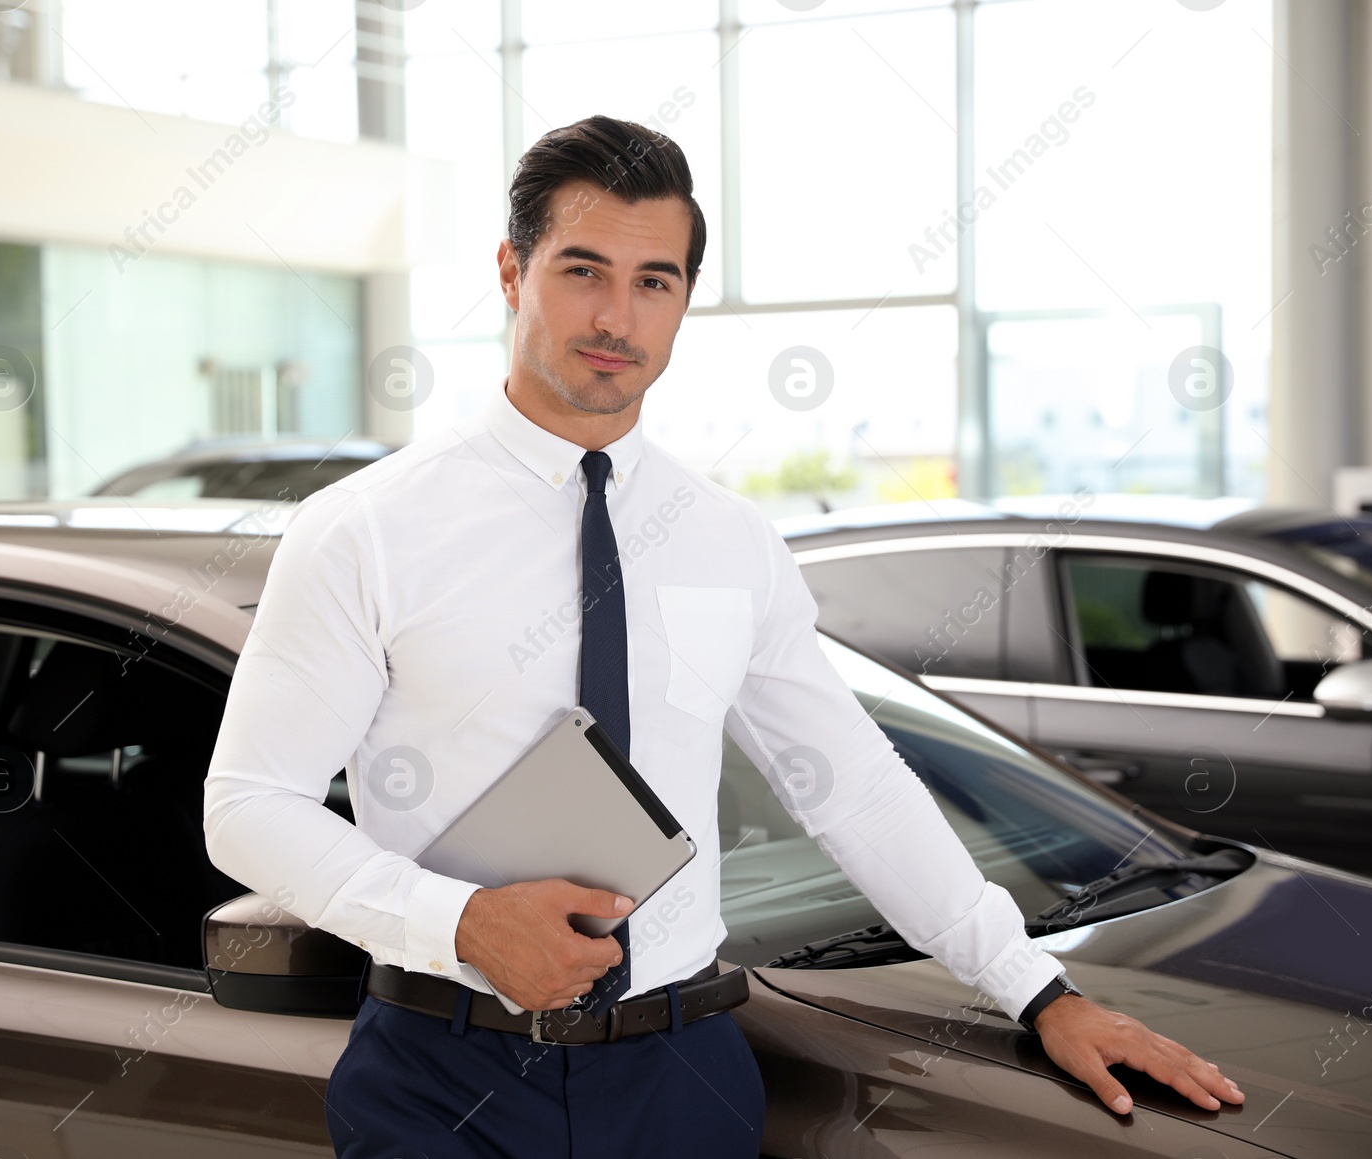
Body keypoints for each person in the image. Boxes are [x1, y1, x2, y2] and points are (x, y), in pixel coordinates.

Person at [202, 114, 1244, 1159]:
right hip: (442, 1079)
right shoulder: (365, 529)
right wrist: (460, 922)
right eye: (583, 270)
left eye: (654, 280)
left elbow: (852, 785)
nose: (617, 315)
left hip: (679, 1079)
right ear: (512, 272)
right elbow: (248, 807)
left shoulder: (728, 539)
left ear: (684, 301)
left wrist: (1040, 992)